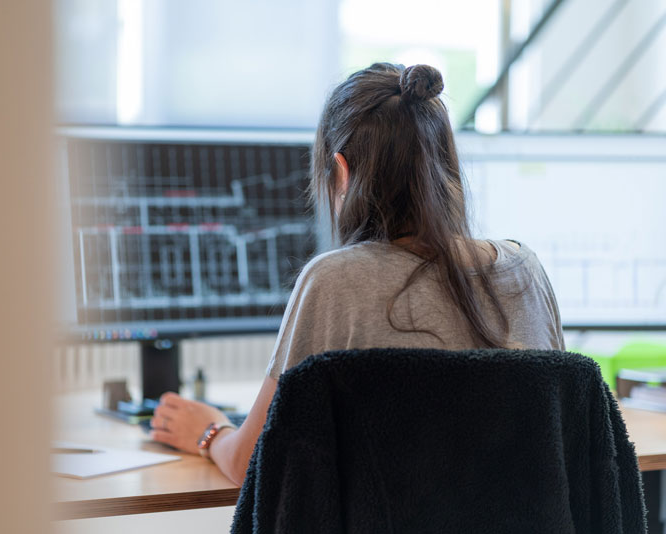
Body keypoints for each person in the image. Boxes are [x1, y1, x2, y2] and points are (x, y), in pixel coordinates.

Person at [150, 63, 565, 486]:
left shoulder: (335, 281)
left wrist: (210, 432)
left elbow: (252, 465)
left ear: (342, 172)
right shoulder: (526, 269)